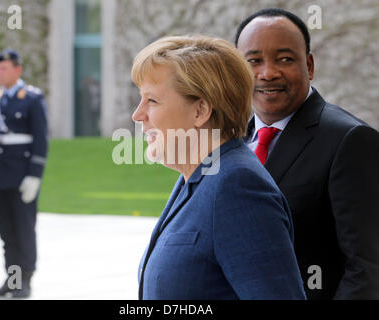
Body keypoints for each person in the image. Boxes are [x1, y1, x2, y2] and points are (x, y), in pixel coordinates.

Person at [131, 35, 306, 299]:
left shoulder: (236, 186)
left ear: (200, 110)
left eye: (152, 100)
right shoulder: (197, 177)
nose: (137, 115)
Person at [235, 8, 379, 299]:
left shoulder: (350, 140)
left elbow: (367, 266)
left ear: (309, 65)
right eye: (254, 61)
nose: (267, 73)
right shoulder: (231, 139)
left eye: (285, 59)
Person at [0, 49, 48, 298]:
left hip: (22, 176)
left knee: (23, 230)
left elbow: (41, 139)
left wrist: (35, 174)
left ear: (17, 70)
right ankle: (12, 279)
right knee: (6, 233)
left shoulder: (31, 98)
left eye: (4, 68)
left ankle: (26, 280)